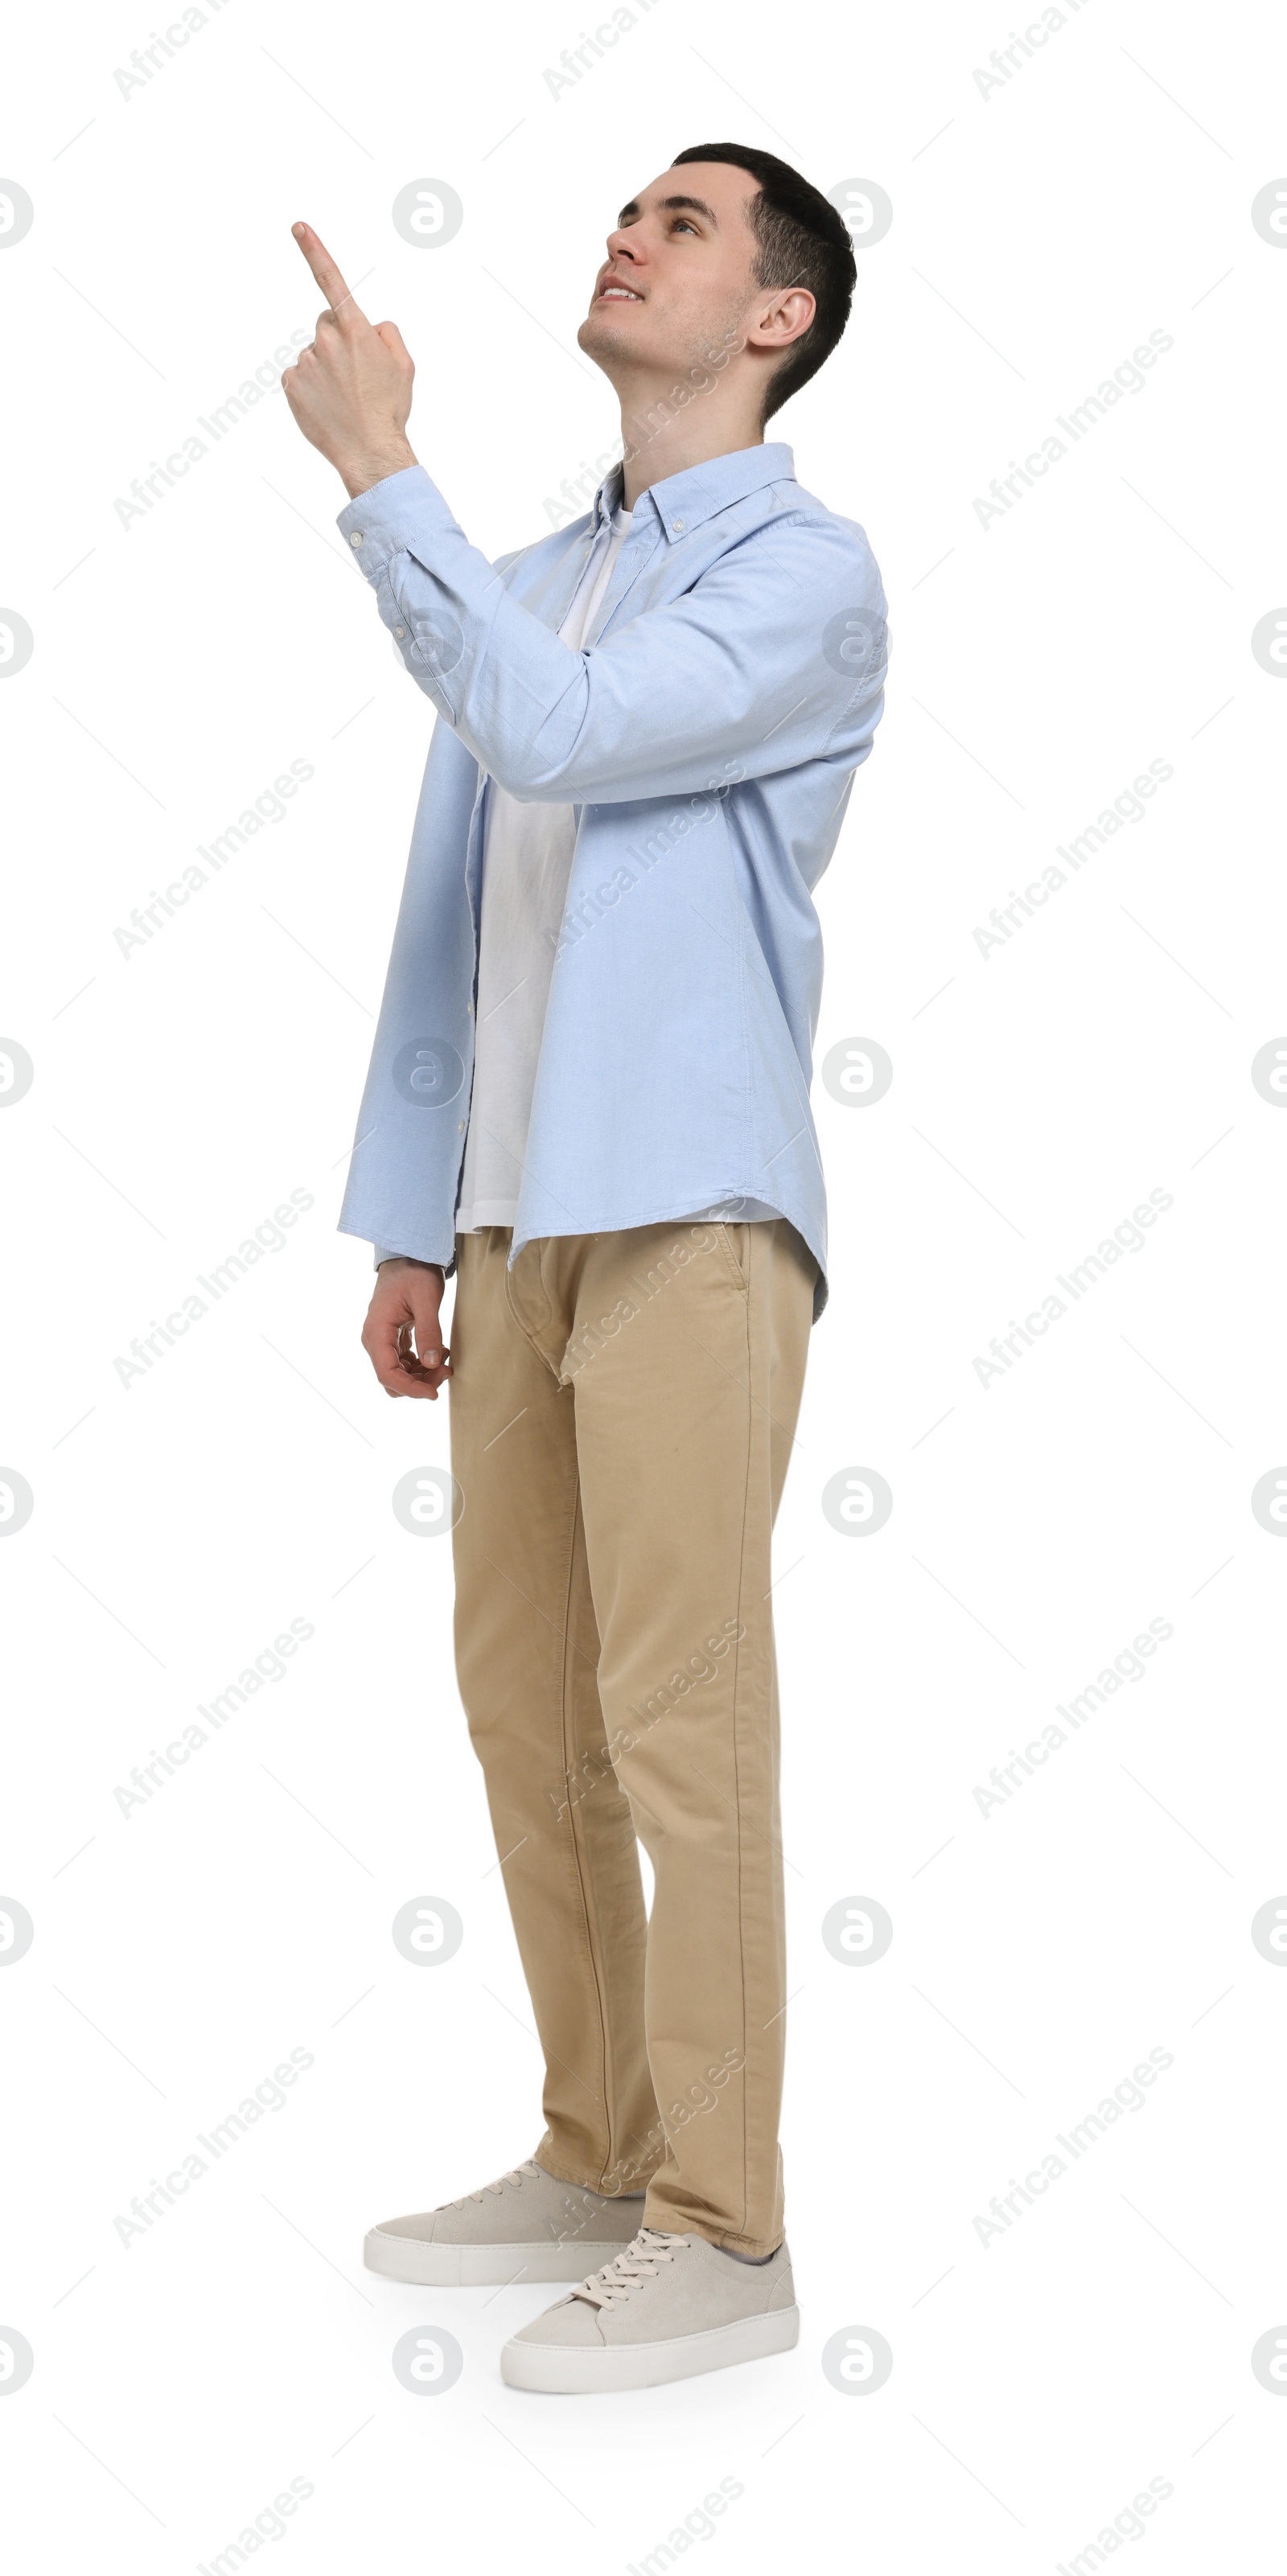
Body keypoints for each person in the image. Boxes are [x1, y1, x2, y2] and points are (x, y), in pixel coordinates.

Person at [282, 142, 887, 2394]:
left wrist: (375, 471)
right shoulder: (532, 570)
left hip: (692, 1218)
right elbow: (460, 899)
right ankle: (600, 2140)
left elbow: (560, 737)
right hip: (517, 1225)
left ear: (777, 320)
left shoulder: (811, 577)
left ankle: (728, 2225)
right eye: (631, 207)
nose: (631, 233)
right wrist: (409, 1214)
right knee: (531, 1716)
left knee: (683, 1725)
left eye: (691, 224)